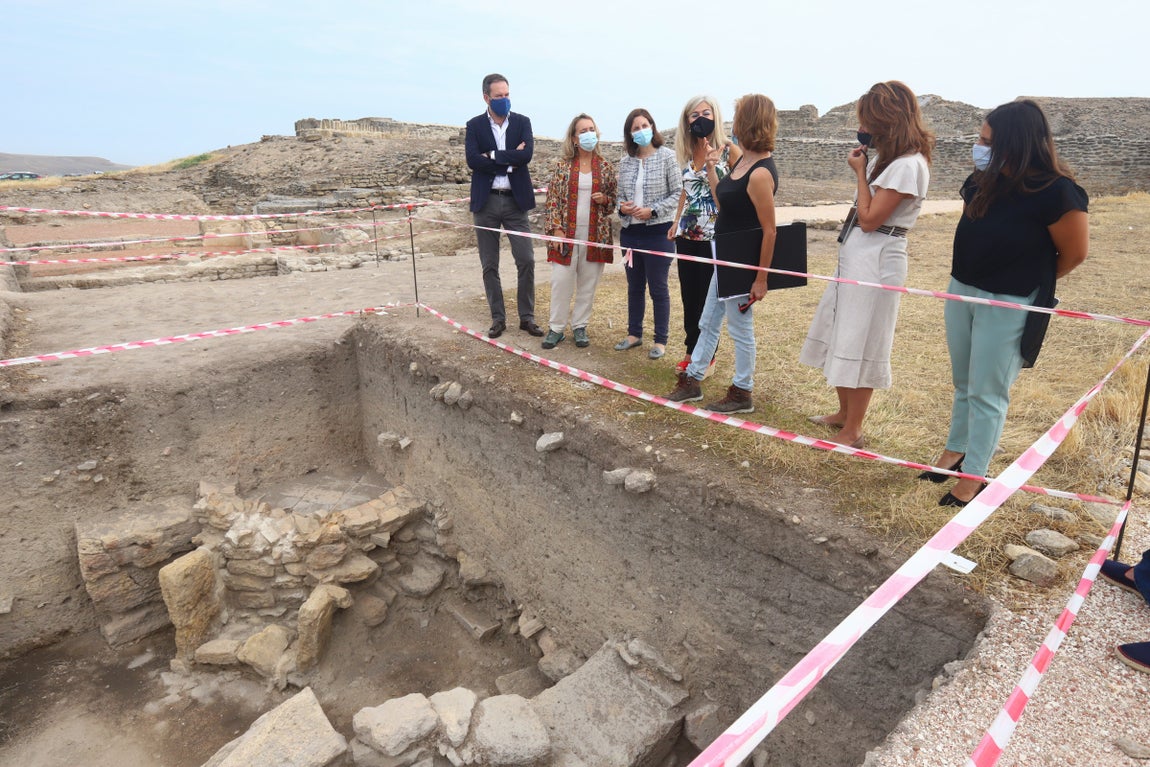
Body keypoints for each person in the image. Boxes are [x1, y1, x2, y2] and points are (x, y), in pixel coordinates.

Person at [922, 100, 1088, 506]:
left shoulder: (1058, 192)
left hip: (1011, 301)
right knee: (964, 381)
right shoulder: (981, 180)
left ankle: (974, 476)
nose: (979, 147)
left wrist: (1026, 282)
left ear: (1016, 144)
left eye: (987, 141)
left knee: (988, 391)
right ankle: (954, 451)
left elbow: (1074, 253)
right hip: (962, 288)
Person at [799, 81, 934, 447]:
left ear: (887, 121)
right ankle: (843, 413)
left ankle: (854, 428)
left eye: (869, 121)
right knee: (844, 330)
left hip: (878, 258)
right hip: (858, 255)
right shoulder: (887, 160)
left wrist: (859, 174)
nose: (865, 129)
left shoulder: (908, 166)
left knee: (864, 337)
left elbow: (872, 218)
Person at [666, 94, 778, 414]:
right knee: (709, 319)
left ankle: (743, 390)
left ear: (750, 121)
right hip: (725, 251)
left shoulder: (760, 171)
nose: (731, 119)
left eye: (737, 114)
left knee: (740, 328)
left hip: (742, 256)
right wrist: (713, 170)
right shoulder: (744, 163)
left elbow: (769, 230)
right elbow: (723, 201)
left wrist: (761, 278)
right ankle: (693, 379)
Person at [465, 73, 544, 339]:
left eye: (507, 95)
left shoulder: (522, 122)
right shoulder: (475, 126)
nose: (504, 100)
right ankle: (498, 318)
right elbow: (473, 161)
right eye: (499, 96)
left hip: (515, 201)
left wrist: (495, 156)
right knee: (490, 264)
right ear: (487, 97)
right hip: (485, 202)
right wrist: (511, 160)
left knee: (527, 260)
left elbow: (527, 155)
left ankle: (527, 317)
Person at [670, 95, 742, 377]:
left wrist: (714, 169)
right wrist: (675, 223)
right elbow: (686, 192)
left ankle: (706, 356)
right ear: (686, 121)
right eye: (693, 114)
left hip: (715, 236)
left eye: (705, 112)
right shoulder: (688, 154)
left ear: (715, 115)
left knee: (707, 300)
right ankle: (691, 349)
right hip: (686, 235)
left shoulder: (729, 151)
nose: (700, 118)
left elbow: (733, 196)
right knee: (689, 296)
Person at [541, 114, 618, 350]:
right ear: (574, 138)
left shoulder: (605, 167)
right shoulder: (562, 166)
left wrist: (604, 199)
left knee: (588, 284)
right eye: (583, 131)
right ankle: (556, 328)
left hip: (596, 235)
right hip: (566, 234)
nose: (588, 134)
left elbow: (614, 201)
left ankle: (580, 326)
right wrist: (556, 229)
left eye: (591, 129)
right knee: (561, 282)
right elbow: (552, 199)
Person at [614, 108, 683, 360]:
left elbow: (678, 193)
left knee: (658, 287)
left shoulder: (667, 157)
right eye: (635, 128)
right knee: (634, 287)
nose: (641, 130)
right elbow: (619, 197)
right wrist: (623, 207)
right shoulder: (625, 162)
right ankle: (634, 334)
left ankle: (660, 340)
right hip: (630, 233)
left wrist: (652, 211)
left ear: (652, 127)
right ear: (630, 134)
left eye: (645, 125)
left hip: (658, 233)